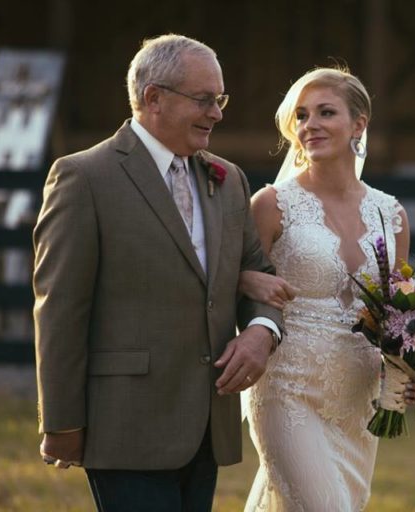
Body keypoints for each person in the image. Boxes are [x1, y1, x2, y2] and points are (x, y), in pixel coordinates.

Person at [32, 34, 283, 511]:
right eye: (204, 99)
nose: (217, 112)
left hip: (207, 424)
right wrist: (61, 422)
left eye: (220, 99)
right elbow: (59, 309)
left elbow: (259, 273)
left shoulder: (228, 182)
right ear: (154, 98)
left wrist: (261, 330)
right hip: (125, 426)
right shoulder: (84, 177)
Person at [238, 67, 415, 511]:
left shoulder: (390, 214)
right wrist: (243, 281)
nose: (309, 125)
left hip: (358, 400)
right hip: (286, 388)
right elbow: (230, 284)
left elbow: (399, 316)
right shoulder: (272, 204)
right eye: (301, 115)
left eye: (325, 112)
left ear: (359, 124)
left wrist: (411, 368)